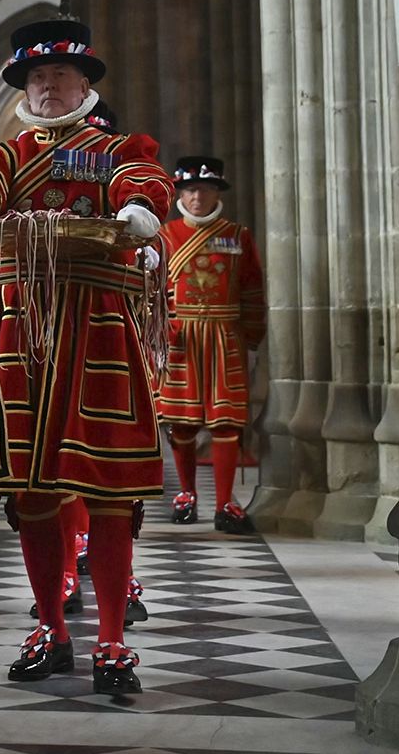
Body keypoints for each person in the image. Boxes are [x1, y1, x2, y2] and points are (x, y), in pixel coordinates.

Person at [0, 16, 171, 695]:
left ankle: (113, 637)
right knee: (31, 489)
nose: (50, 86)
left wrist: (142, 210)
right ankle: (52, 629)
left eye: (61, 75)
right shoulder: (2, 156)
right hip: (23, 333)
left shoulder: (117, 148)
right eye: (38, 77)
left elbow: (144, 181)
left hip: (97, 330)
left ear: (85, 82)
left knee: (110, 488)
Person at [156, 157, 264, 533]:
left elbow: (252, 289)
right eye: (189, 190)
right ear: (179, 194)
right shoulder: (165, 236)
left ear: (217, 192)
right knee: (181, 423)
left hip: (224, 335)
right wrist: (157, 335)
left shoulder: (237, 236)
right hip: (180, 338)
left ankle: (224, 503)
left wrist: (252, 337)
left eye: (203, 189)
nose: (197, 197)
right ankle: (186, 494)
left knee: (226, 422)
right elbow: (150, 293)